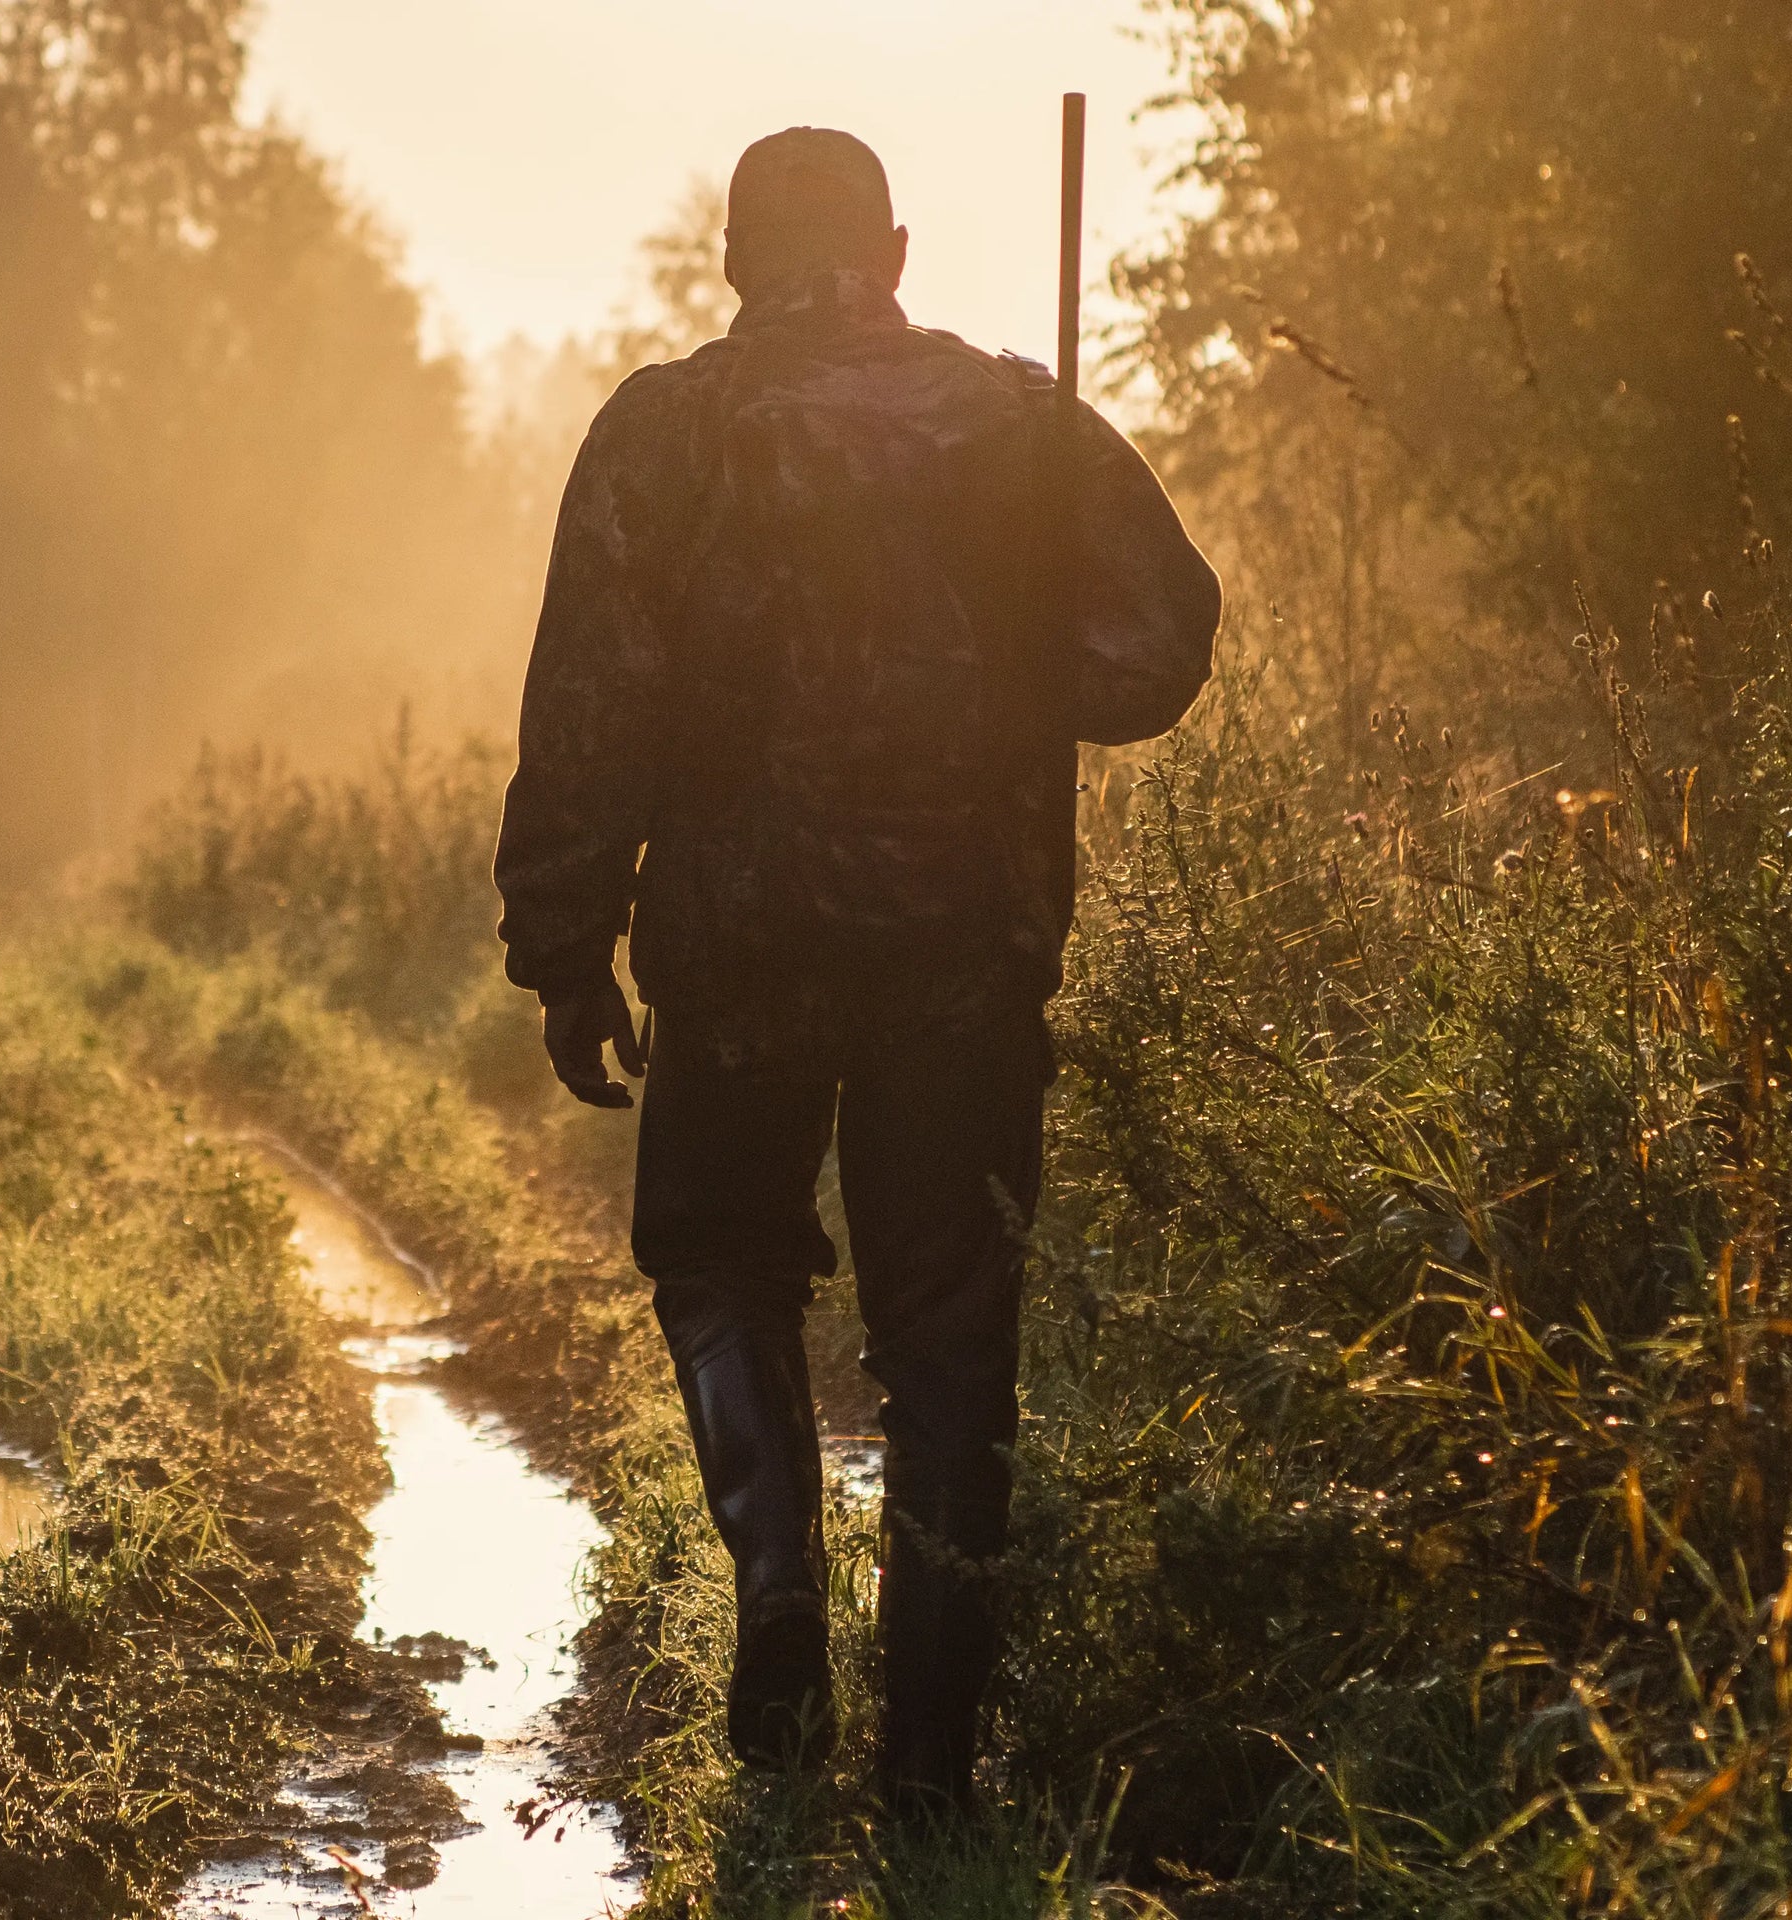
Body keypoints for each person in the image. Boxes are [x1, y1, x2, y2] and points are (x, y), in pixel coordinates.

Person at [493, 125, 1219, 1814]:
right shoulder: (1024, 420)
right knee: (953, 1338)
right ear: (894, 252)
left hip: (736, 947)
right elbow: (1159, 644)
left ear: (735, 260)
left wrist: (566, 944)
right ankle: (932, 1770)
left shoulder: (663, 433)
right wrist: (1017, 645)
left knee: (725, 1262)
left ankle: (778, 1591)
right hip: (964, 949)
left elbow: (591, 702)